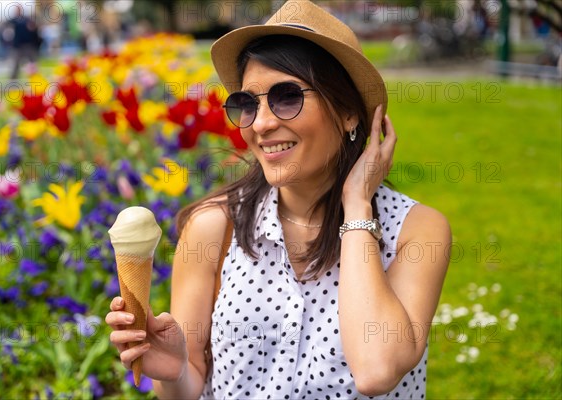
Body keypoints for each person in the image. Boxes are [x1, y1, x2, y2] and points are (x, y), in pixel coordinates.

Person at [105, 1, 451, 398]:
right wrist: (173, 371)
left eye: (287, 97)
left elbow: (377, 370)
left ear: (348, 113)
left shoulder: (416, 230)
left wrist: (357, 205)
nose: (264, 123)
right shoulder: (214, 228)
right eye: (248, 103)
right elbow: (187, 386)